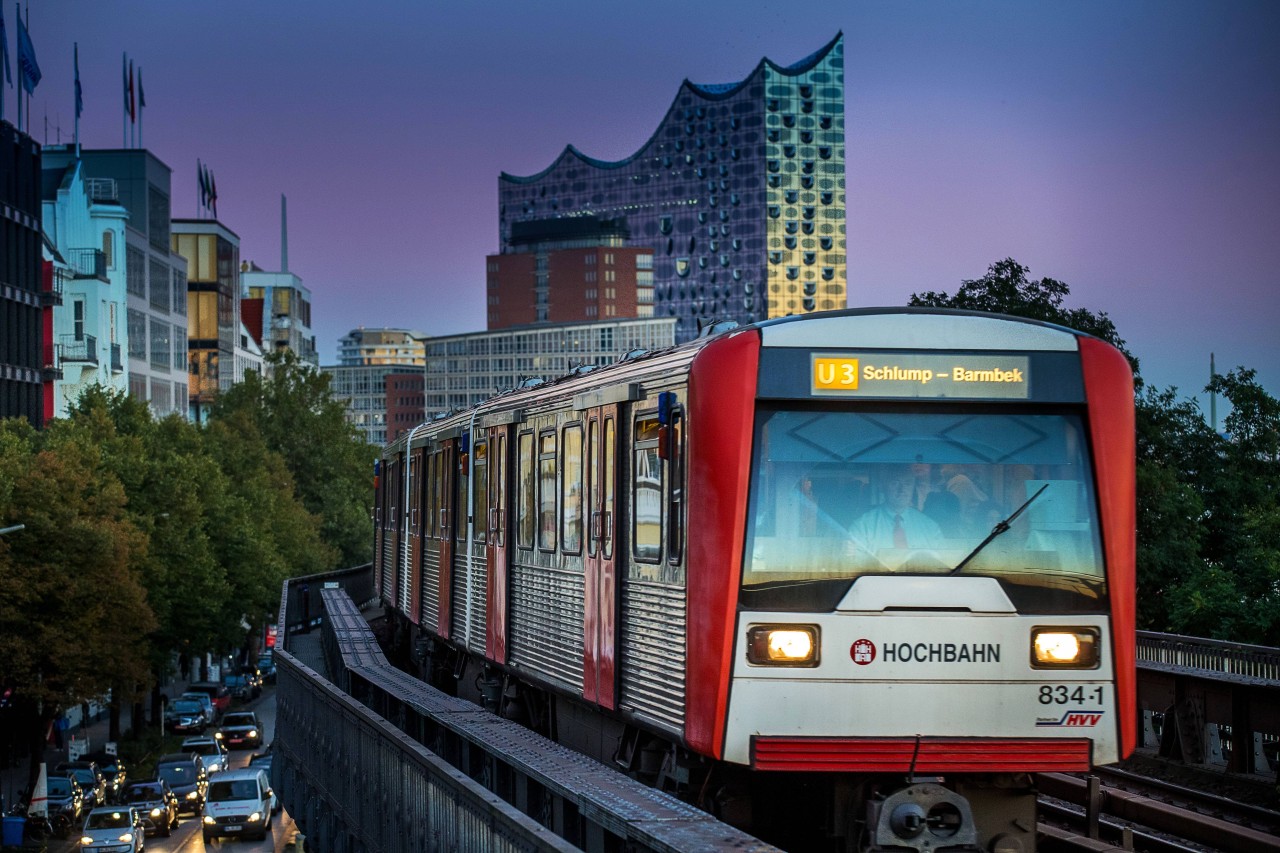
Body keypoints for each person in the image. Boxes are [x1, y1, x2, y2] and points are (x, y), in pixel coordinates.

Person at [850, 466, 944, 552]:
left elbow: (943, 564)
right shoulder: (862, 527)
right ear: (883, 487)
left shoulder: (930, 528)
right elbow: (854, 566)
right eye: (895, 483)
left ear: (913, 488)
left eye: (908, 483)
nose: (902, 489)